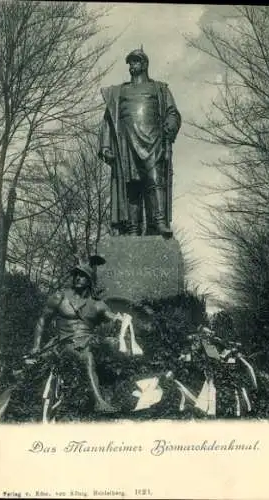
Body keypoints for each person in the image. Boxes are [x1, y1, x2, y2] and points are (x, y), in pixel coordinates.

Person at [99, 46, 181, 237]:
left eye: (135, 61)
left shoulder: (159, 88)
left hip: (153, 141)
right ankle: (133, 228)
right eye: (130, 62)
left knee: (155, 181)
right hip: (125, 142)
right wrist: (105, 145)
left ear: (144, 64)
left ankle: (159, 222)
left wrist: (169, 127)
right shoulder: (119, 92)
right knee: (131, 186)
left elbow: (172, 112)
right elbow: (108, 121)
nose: (131, 66)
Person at [30, 256, 126, 413]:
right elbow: (42, 321)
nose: (78, 278)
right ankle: (99, 402)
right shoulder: (59, 298)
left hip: (90, 341)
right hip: (65, 344)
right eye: (76, 274)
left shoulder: (97, 305)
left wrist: (120, 319)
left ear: (89, 280)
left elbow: (112, 316)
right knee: (86, 356)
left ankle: (121, 387)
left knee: (113, 344)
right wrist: (36, 346)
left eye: (82, 275)